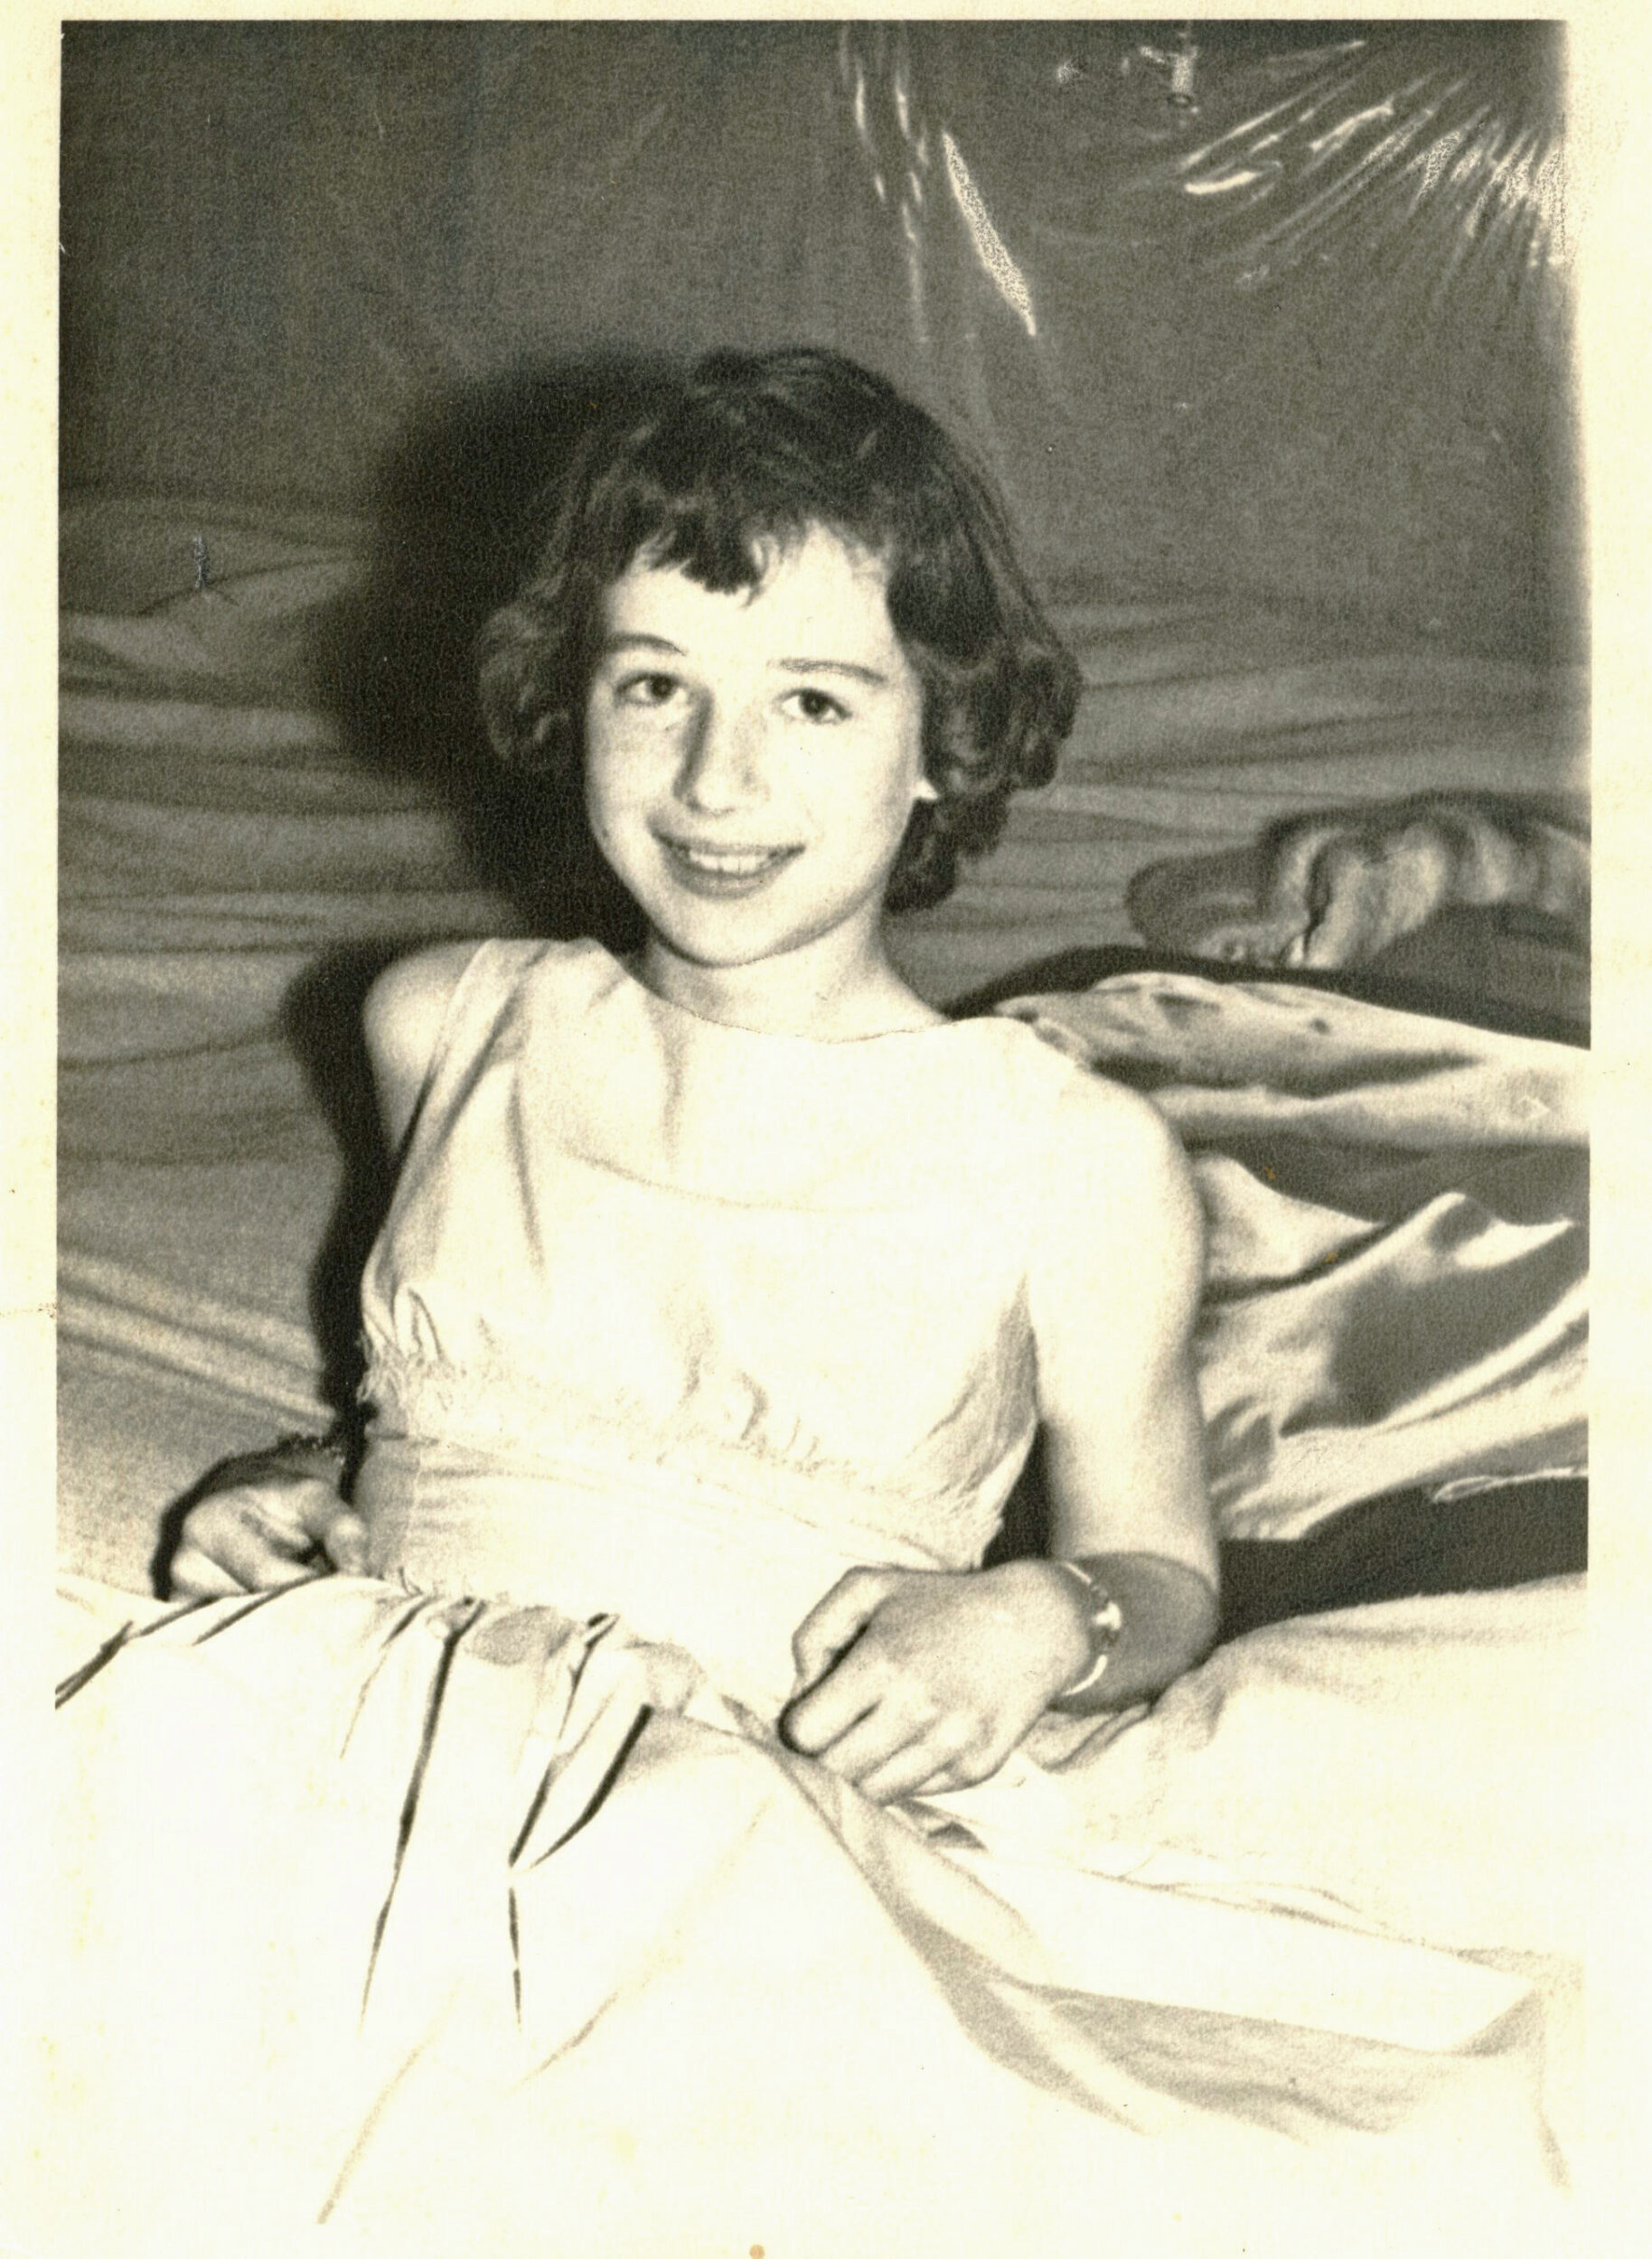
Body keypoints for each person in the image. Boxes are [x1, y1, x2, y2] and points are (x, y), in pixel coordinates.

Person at [38, 350, 1569, 2258]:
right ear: (569, 700)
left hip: (758, 1824)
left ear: (943, 742)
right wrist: (308, 1486)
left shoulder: (1067, 1158)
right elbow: (461, 1392)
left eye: (815, 700)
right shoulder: (439, 1022)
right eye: (653, 685)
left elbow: (1159, 1576)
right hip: (360, 1758)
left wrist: (1042, 1616)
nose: (716, 777)